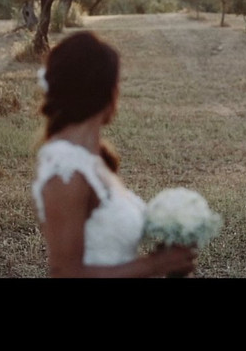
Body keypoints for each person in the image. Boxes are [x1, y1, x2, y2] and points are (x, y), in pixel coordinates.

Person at [31, 31, 197, 277]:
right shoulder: (65, 168)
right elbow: (65, 273)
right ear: (106, 92)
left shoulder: (91, 158)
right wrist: (155, 265)